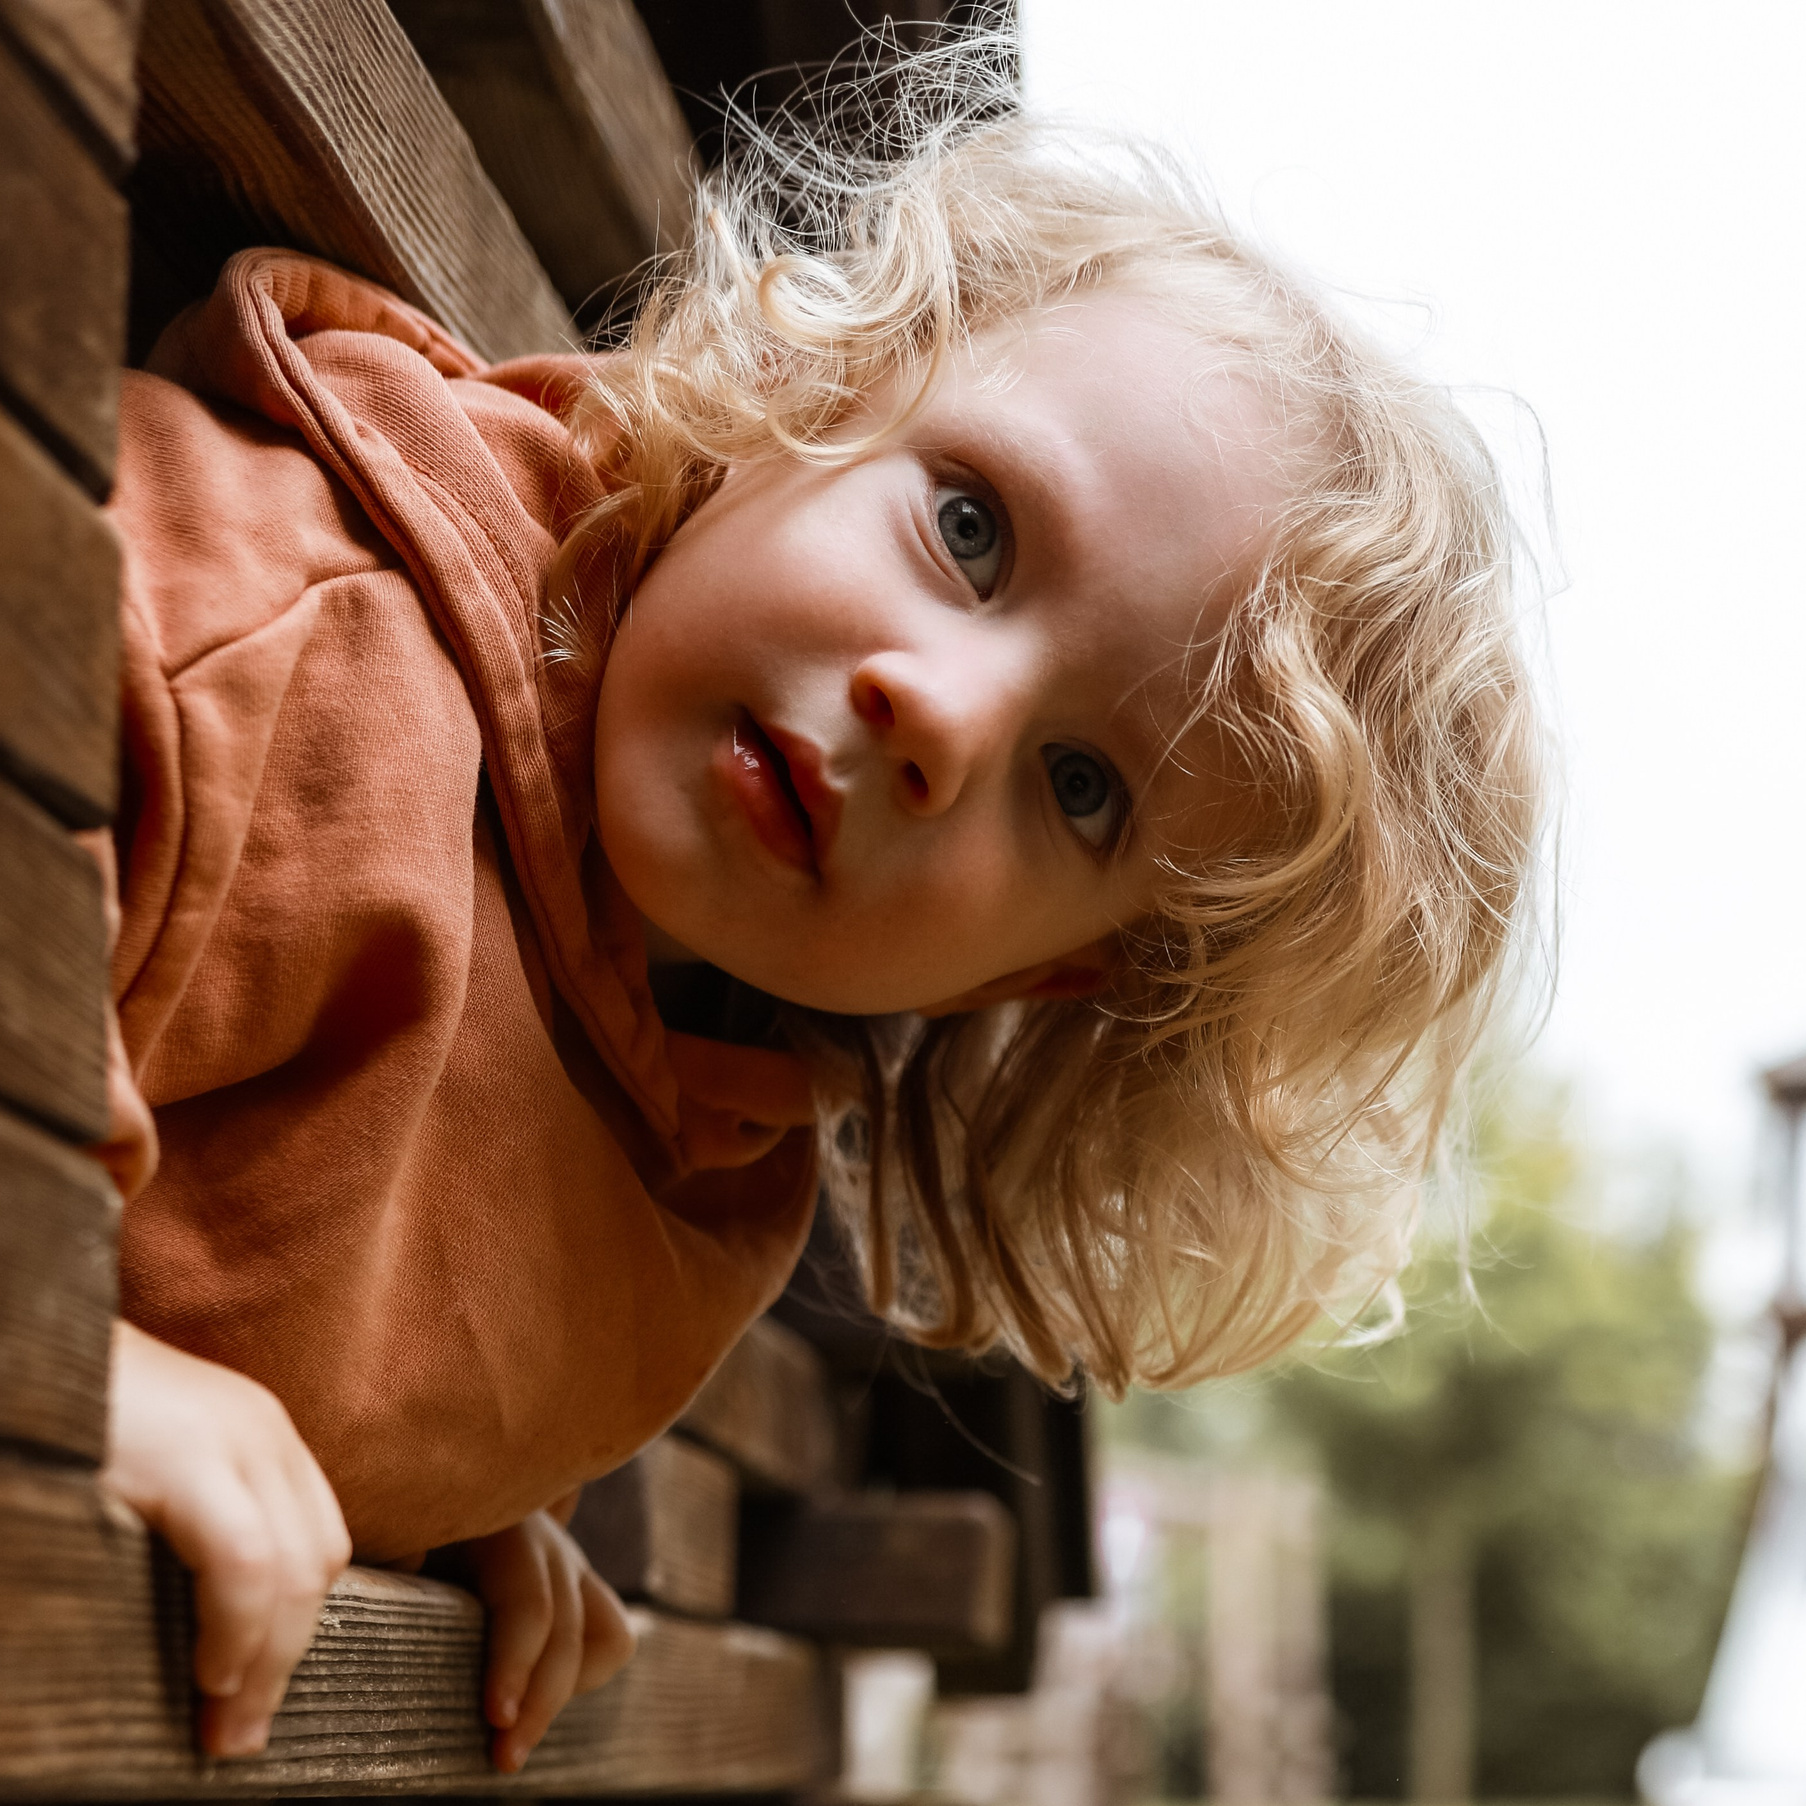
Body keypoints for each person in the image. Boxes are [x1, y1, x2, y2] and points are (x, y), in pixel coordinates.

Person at [88, 30, 1543, 1778]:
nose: (939, 716)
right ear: (814, 397)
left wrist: (436, 1491)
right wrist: (64, 1361)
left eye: (1083, 787)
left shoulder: (716, 1152)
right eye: (970, 530)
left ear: (1060, 966)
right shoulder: (273, 625)